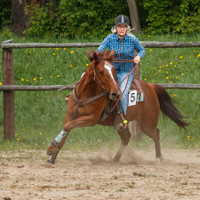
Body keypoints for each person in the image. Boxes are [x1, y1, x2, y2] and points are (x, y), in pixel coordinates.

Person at [97, 14, 145, 128]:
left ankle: (121, 117)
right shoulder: (110, 38)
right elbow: (100, 50)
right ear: (116, 28)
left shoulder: (133, 39)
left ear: (127, 28)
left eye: (124, 26)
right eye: (119, 26)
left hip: (126, 71)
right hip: (112, 72)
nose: (122, 29)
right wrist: (104, 56)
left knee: (122, 93)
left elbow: (142, 50)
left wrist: (138, 56)